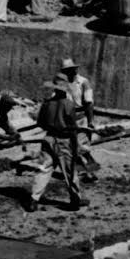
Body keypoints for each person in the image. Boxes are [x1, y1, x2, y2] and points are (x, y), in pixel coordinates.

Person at [29, 73, 88, 211]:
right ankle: (75, 200)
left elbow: (40, 123)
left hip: (48, 139)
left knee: (44, 169)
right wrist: (75, 145)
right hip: (64, 141)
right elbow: (72, 127)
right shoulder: (68, 105)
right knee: (69, 172)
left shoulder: (46, 104)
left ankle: (33, 199)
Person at [60, 58, 99, 180]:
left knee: (82, 148)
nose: (68, 73)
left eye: (70, 70)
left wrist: (91, 121)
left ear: (75, 69)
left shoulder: (83, 83)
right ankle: (82, 172)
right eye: (65, 71)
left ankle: (92, 171)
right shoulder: (63, 84)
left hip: (81, 117)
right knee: (72, 148)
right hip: (68, 119)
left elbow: (89, 103)